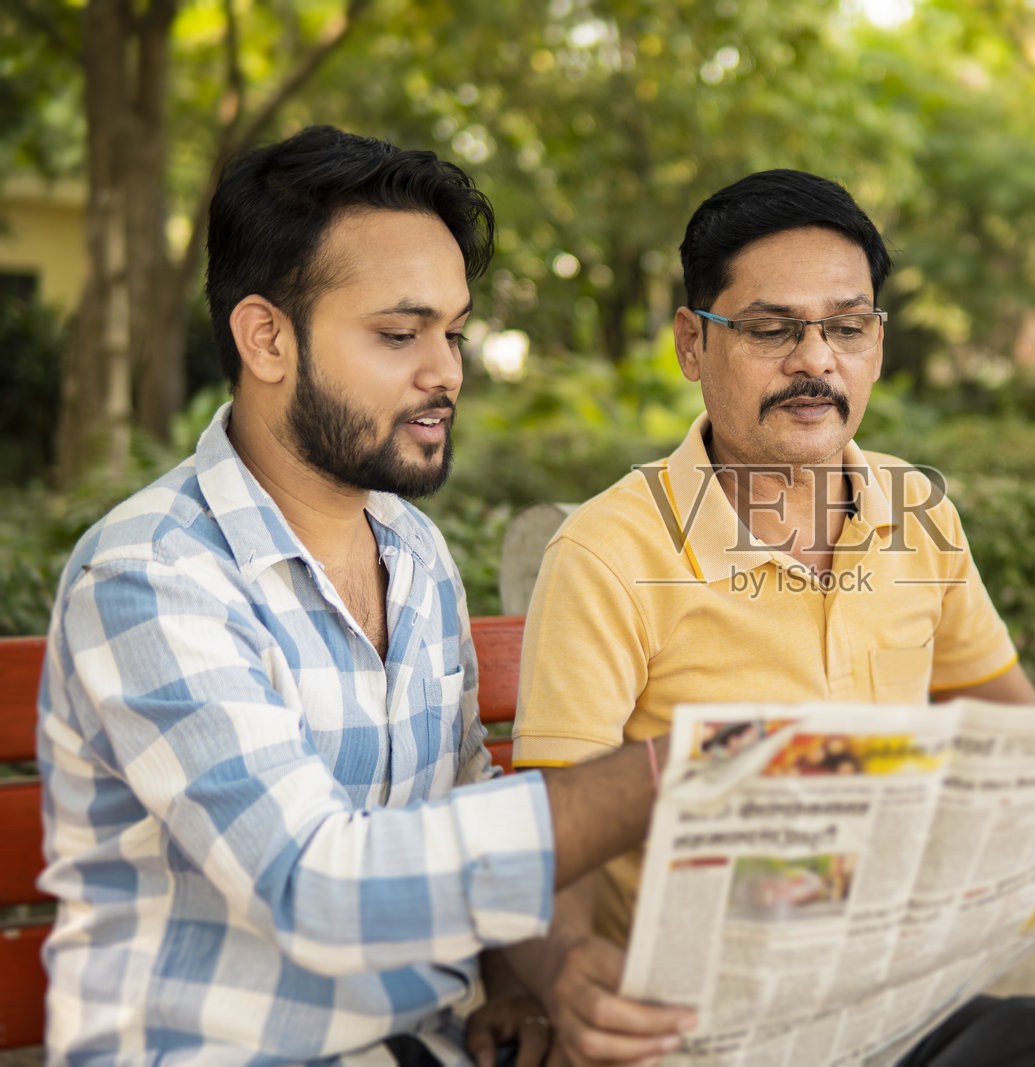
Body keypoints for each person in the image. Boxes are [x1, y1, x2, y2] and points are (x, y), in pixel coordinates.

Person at [506, 169, 1035, 1066]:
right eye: (772, 330)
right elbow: (550, 836)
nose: (816, 361)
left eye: (847, 327)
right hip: (712, 1035)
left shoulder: (914, 509)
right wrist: (567, 970)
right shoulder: (610, 551)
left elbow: (1029, 746)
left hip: (904, 1009)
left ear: (876, 344)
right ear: (694, 344)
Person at [34, 125, 689, 1066]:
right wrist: (666, 773)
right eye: (399, 334)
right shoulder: (149, 575)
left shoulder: (413, 551)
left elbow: (463, 796)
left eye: (453, 333)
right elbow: (317, 884)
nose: (447, 372)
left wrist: (537, 977)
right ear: (266, 337)